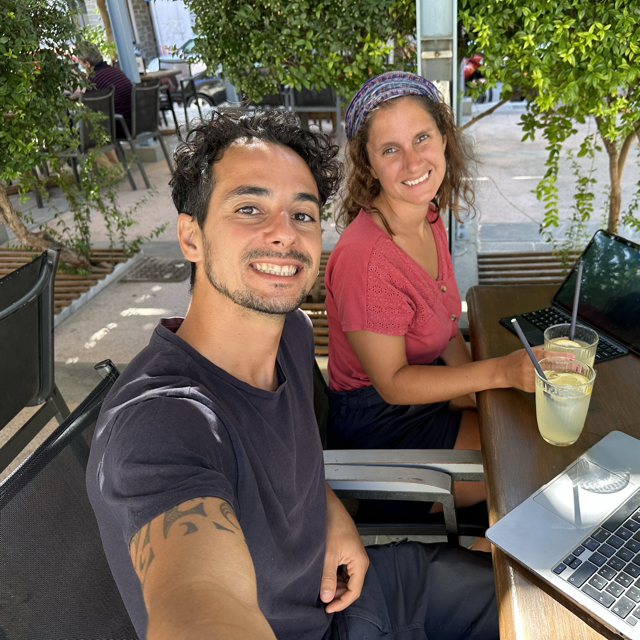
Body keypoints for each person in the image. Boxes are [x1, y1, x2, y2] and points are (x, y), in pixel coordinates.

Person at [86, 109, 499, 640]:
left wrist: (328, 512)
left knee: (538, 601)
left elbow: (286, 452)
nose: (283, 233)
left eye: (302, 215)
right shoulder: (160, 426)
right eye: (250, 207)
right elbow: (197, 600)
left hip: (351, 596)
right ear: (191, 236)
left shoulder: (290, 335)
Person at [324, 72, 568, 522]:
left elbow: (442, 330)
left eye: (422, 138)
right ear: (369, 164)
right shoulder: (368, 260)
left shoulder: (427, 215)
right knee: (531, 454)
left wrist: (489, 388)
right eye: (390, 149)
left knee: (530, 420)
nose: (413, 162)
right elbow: (393, 384)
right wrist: (498, 372)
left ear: (443, 138)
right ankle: (489, 562)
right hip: (383, 424)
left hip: (425, 384)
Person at [74, 41, 133, 139]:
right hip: (133, 122)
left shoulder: (94, 80)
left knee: (86, 134)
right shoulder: (115, 71)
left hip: (118, 126)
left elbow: (88, 108)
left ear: (87, 64)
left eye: (80, 63)